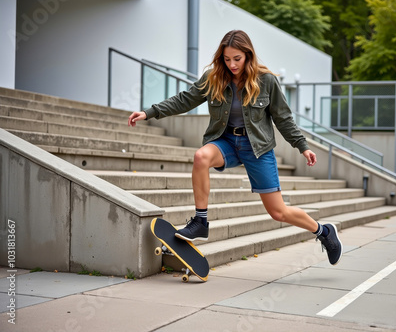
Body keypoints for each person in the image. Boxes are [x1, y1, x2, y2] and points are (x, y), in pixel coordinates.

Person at [128, 30, 342, 265]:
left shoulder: (266, 80)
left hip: (257, 148)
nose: (231, 64)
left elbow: (283, 118)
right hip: (226, 141)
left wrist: (302, 146)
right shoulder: (214, 77)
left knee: (278, 212)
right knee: (201, 156)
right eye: (227, 59)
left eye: (237, 59)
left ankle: (324, 232)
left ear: (248, 55)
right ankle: (201, 222)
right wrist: (149, 112)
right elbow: (185, 99)